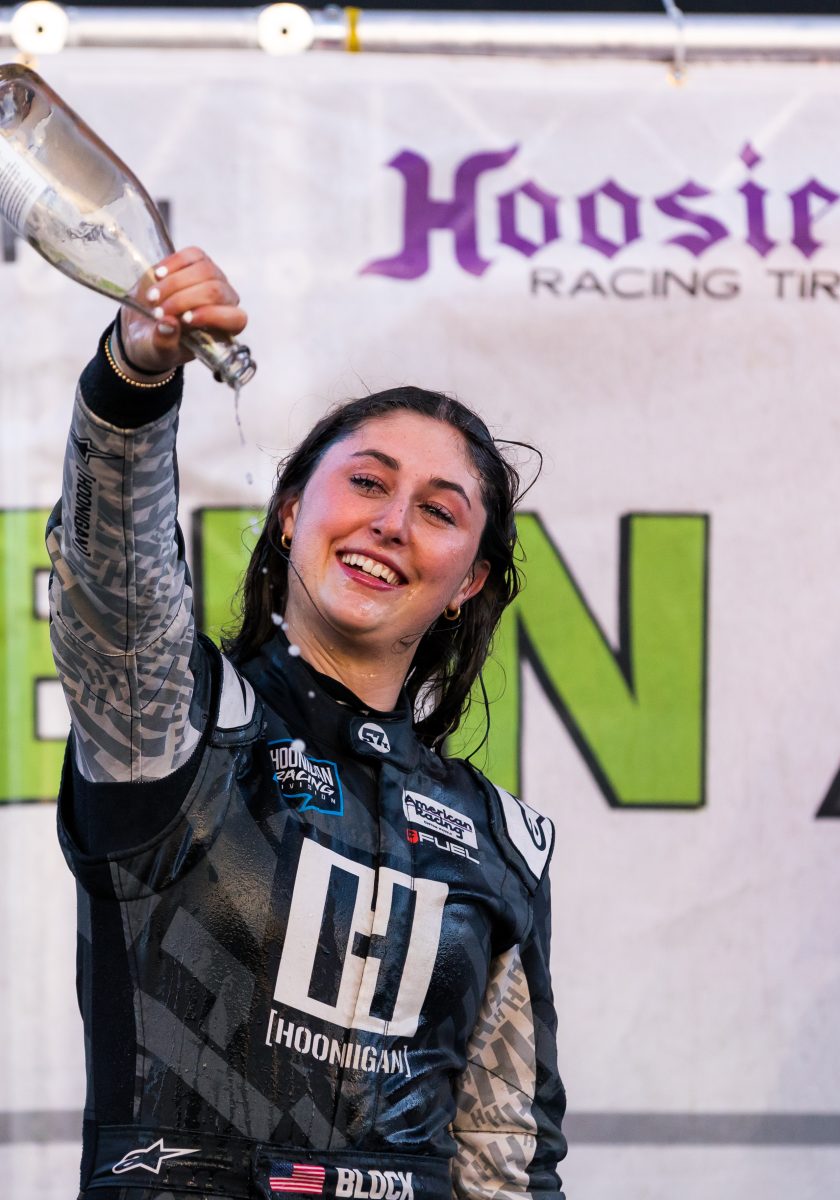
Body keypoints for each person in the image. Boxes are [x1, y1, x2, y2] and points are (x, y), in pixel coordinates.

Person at [48, 247, 568, 1200]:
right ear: (291, 513)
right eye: (366, 482)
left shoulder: (503, 841)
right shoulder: (174, 727)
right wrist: (134, 378)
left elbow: (505, 1161)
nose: (392, 523)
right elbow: (111, 582)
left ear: (469, 583)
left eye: (438, 511)